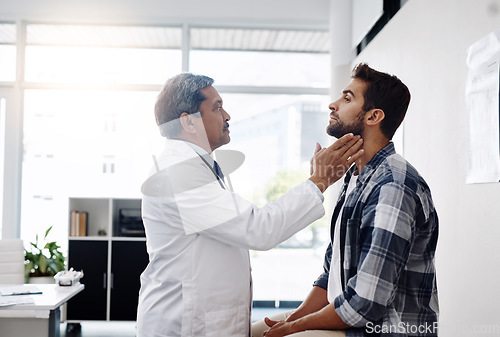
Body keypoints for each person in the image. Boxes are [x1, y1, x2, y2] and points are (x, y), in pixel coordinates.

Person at [136, 73, 365, 337]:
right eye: (217, 107)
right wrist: (319, 180)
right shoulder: (178, 174)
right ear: (188, 121)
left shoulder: (193, 168)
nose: (227, 116)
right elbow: (258, 229)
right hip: (184, 325)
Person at [252, 64, 439, 337]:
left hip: (383, 329)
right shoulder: (354, 175)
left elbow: (365, 304)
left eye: (347, 98)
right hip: (353, 320)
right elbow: (333, 272)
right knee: (255, 333)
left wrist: (294, 327)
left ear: (373, 116)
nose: (332, 104)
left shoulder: (393, 186)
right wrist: (294, 317)